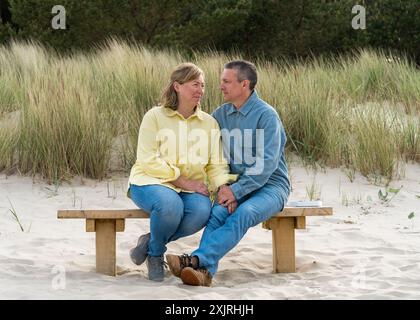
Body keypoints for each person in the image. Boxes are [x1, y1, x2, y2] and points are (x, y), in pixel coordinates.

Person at [166, 60, 290, 286]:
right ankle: (204, 272)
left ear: (244, 84)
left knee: (245, 213)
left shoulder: (267, 116)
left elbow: (266, 165)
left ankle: (196, 260)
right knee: (217, 215)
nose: (220, 86)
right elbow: (216, 158)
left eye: (226, 81)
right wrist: (225, 187)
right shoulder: (220, 115)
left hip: (271, 186)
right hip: (235, 186)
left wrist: (237, 191)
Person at [127, 63, 237, 282]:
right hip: (149, 181)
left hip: (189, 187)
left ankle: (150, 243)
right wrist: (182, 180)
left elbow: (215, 163)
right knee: (170, 206)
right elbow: (147, 159)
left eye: (203, 85)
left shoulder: (209, 123)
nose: (201, 90)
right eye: (195, 84)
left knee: (201, 213)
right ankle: (156, 255)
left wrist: (223, 186)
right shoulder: (155, 116)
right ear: (177, 86)